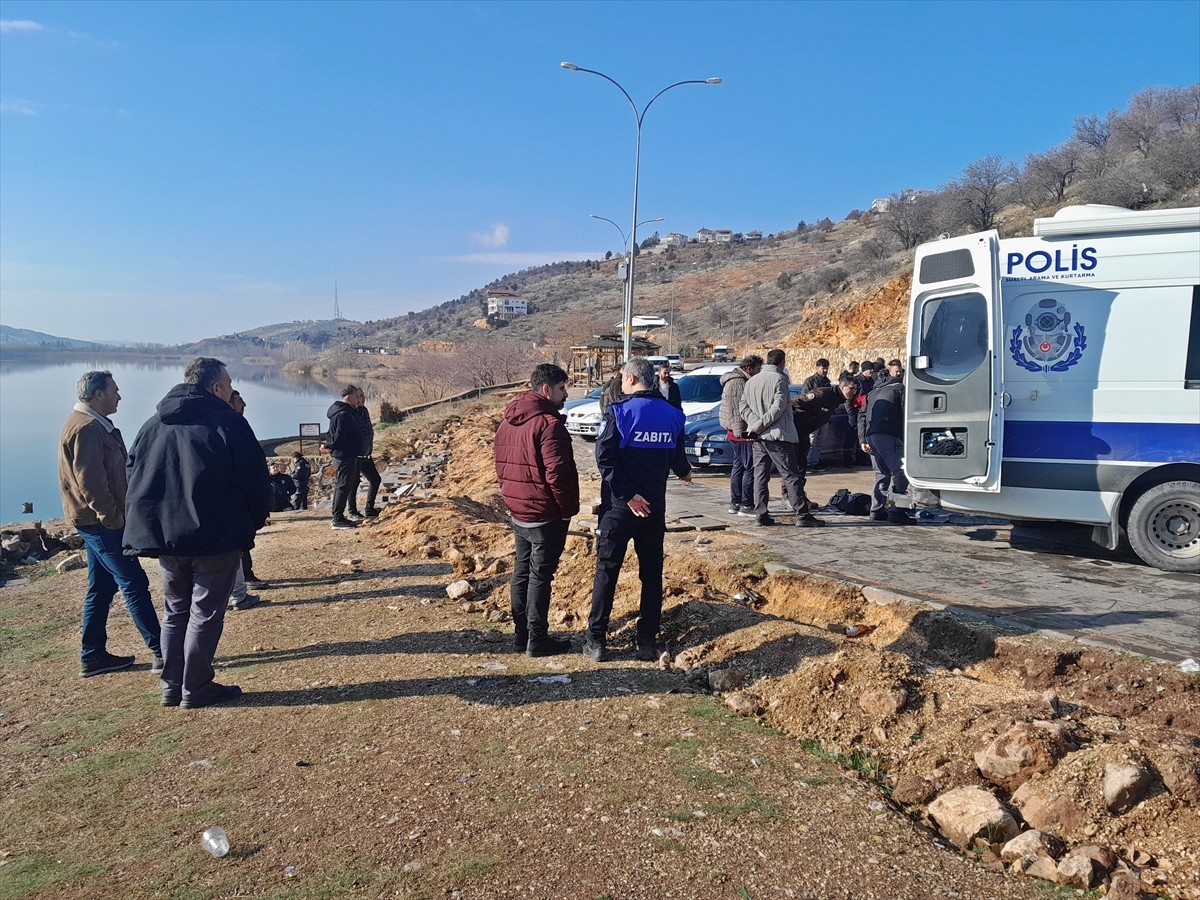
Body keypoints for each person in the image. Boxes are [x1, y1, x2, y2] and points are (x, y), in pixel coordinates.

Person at [124, 357, 269, 709]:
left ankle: (172, 687)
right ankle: (196, 687)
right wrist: (253, 520)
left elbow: (132, 472)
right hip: (215, 534)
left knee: (176, 610)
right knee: (205, 611)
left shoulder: (152, 424)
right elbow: (254, 477)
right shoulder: (228, 422)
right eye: (230, 384)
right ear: (216, 388)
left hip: (167, 536)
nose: (232, 390)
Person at [586, 357, 691, 663]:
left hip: (619, 508)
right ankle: (646, 641)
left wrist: (628, 495)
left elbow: (604, 459)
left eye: (621, 379)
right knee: (652, 575)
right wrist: (684, 472)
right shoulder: (674, 415)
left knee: (607, 572)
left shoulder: (619, 412)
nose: (619, 384)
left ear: (631, 379)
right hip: (654, 509)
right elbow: (677, 457)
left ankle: (596, 641)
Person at [58, 370, 163, 678]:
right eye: (115, 390)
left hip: (96, 522)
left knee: (101, 588)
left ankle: (92, 656)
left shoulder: (93, 425)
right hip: (101, 523)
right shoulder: (87, 428)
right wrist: (113, 519)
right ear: (98, 394)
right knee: (133, 583)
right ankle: (161, 651)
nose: (120, 395)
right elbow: (91, 482)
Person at [494, 363, 580, 657]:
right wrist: (568, 509)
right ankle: (537, 639)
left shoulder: (507, 422)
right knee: (540, 576)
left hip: (518, 510)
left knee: (522, 572)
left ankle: (522, 636)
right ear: (547, 389)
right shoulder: (549, 424)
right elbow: (558, 473)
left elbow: (501, 465)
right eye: (562, 388)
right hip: (544, 514)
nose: (565, 393)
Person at [740, 349, 825, 528]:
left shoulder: (752, 380)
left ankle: (761, 514)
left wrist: (755, 424)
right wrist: (761, 424)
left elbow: (743, 406)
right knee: (791, 475)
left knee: (760, 476)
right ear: (782, 363)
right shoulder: (780, 379)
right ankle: (802, 514)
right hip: (778, 436)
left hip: (759, 437)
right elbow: (778, 407)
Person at [857, 373, 910, 522]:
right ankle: (897, 511)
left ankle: (876, 510)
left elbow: (861, 416)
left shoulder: (872, 392)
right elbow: (904, 415)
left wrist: (862, 440)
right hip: (888, 434)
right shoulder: (901, 389)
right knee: (901, 473)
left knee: (881, 473)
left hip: (870, 435)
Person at [718, 355, 763, 516]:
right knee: (748, 467)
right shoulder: (738, 382)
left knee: (739, 466)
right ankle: (745, 504)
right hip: (741, 433)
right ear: (749, 369)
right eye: (758, 369)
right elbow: (737, 412)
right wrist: (744, 433)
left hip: (736, 433)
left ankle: (736, 502)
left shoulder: (737, 380)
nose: (759, 373)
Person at [324, 385, 362, 529]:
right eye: (356, 396)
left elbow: (331, 433)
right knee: (343, 485)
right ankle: (337, 519)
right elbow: (339, 436)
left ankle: (338, 516)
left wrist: (328, 443)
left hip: (346, 454)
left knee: (344, 485)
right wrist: (330, 445)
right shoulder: (344, 414)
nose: (358, 399)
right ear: (348, 396)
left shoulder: (342, 411)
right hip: (345, 454)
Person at [349, 388, 382, 519]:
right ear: (352, 398)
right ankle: (352, 511)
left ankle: (369, 508)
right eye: (358, 396)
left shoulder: (364, 410)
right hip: (355, 455)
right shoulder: (350, 413)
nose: (362, 398)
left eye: (363, 396)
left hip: (366, 453)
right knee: (354, 482)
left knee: (375, 479)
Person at [802, 358, 832, 471]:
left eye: (826, 368)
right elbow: (805, 397)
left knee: (820, 441)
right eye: (823, 368)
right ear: (817, 368)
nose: (825, 370)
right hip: (813, 416)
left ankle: (814, 463)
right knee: (811, 441)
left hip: (824, 417)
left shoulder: (827, 382)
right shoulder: (810, 381)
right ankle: (806, 464)